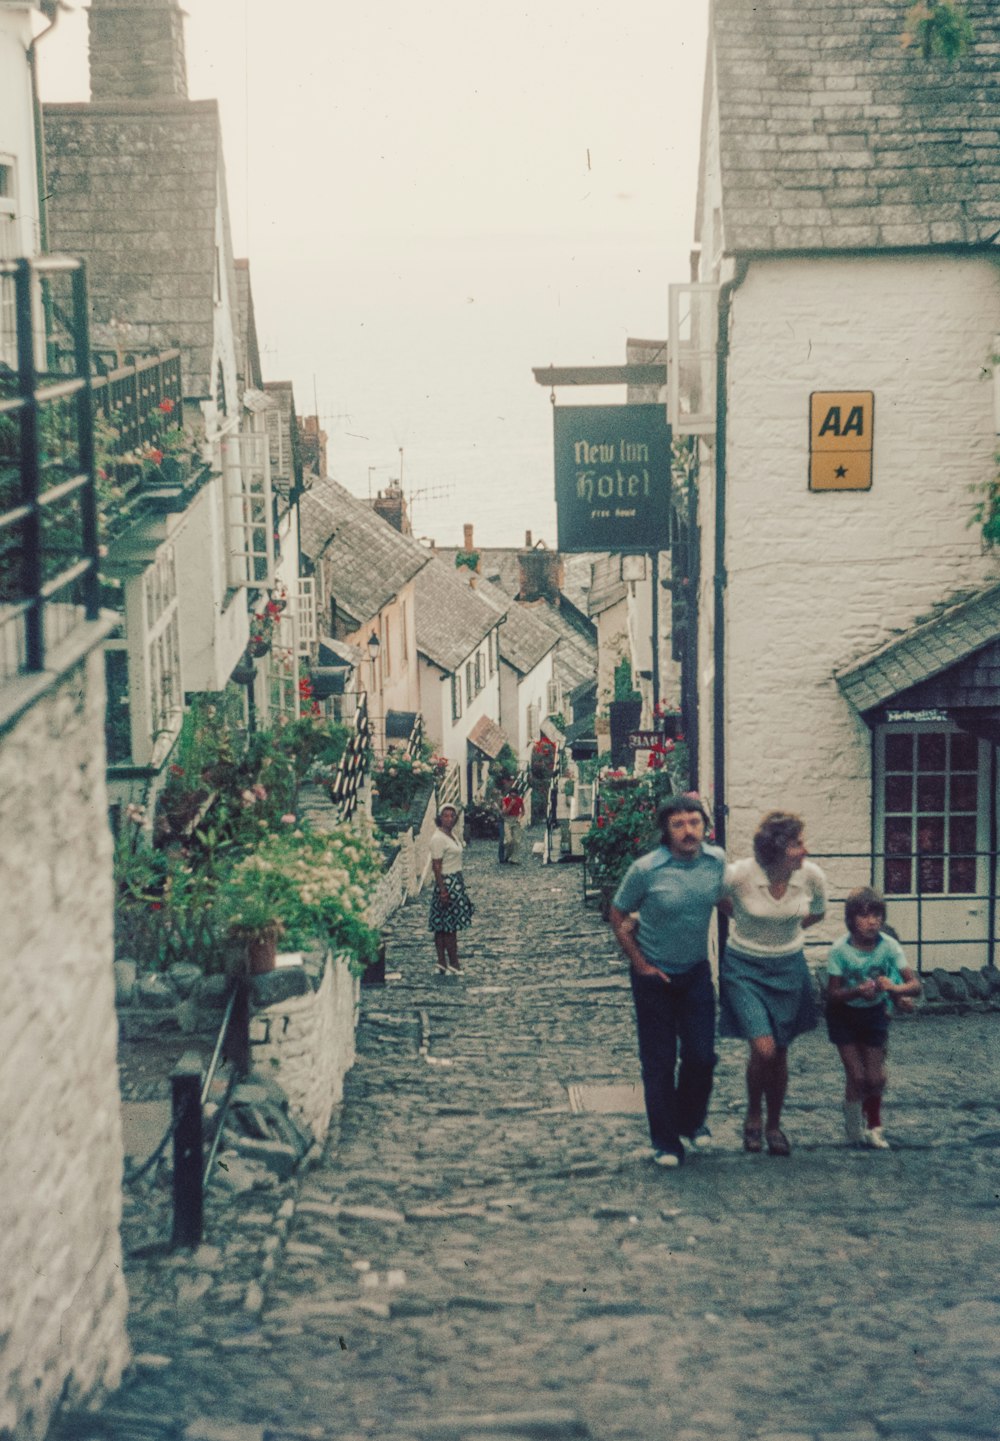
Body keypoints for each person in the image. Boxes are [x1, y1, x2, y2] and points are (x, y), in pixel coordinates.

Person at [609, 794, 726, 1168]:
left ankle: (691, 1121)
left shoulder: (717, 863)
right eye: (679, 824)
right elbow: (617, 912)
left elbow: (729, 902)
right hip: (654, 976)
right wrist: (640, 964)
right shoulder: (646, 869)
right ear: (666, 831)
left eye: (694, 822)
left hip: (694, 973)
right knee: (658, 1061)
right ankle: (666, 1142)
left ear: (704, 826)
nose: (688, 830)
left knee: (702, 1056)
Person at [718, 811, 827, 1157]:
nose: (804, 851)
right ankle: (752, 1114)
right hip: (744, 968)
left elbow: (819, 912)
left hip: (789, 967)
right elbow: (717, 899)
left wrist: (784, 933)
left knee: (779, 1052)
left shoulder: (810, 876)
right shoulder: (738, 875)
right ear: (776, 849)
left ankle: (773, 1124)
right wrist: (747, 923)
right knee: (763, 1047)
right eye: (797, 844)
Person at [825, 887, 921, 1150]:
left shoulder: (889, 946)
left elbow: (915, 985)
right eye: (864, 916)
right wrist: (856, 990)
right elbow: (832, 994)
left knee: (875, 1078)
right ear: (851, 919)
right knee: (856, 1076)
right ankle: (854, 1126)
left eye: (877, 915)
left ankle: (875, 1127)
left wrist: (894, 988)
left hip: (874, 1014)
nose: (872, 921)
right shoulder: (840, 950)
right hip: (843, 1015)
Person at [428, 804, 473, 974]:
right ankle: (453, 964)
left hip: (456, 880)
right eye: (445, 816)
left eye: (452, 816)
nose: (449, 818)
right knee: (449, 926)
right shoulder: (438, 838)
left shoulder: (451, 835)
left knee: (443, 925)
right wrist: (443, 890)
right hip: (447, 882)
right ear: (440, 818)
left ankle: (441, 963)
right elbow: (436, 866)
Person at [499, 783, 525, 864]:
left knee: (517, 841)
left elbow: (523, 811)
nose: (513, 798)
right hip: (508, 820)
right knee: (509, 840)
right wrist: (510, 805)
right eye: (512, 796)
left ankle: (514, 858)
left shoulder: (520, 800)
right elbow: (504, 812)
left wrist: (520, 818)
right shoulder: (505, 800)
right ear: (509, 795)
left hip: (516, 819)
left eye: (515, 796)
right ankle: (507, 855)